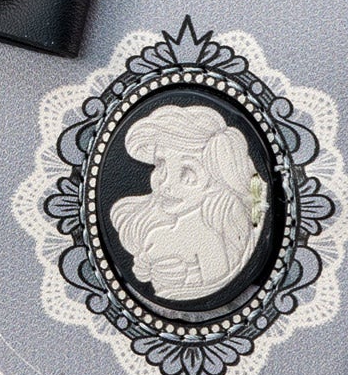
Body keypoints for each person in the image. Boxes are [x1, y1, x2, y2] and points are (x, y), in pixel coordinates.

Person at [109, 101, 263, 303]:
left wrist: (183, 285)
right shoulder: (155, 232)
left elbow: (213, 287)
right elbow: (144, 273)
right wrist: (146, 268)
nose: (165, 183)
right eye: (160, 165)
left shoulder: (208, 236)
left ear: (215, 178)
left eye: (188, 173)